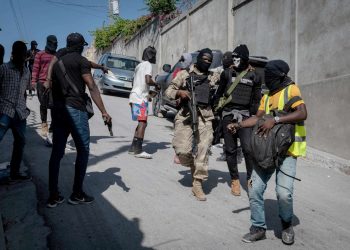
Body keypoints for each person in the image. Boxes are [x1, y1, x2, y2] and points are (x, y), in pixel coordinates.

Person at [227, 60, 307, 245]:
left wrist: (276, 119)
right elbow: (257, 117)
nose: (266, 78)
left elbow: (302, 113)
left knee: (284, 193)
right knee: (254, 189)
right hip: (266, 150)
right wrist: (238, 124)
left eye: (269, 75)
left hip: (288, 151)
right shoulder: (267, 94)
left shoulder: (291, 90)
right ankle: (258, 228)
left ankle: (286, 224)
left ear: (278, 75)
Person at [47, 33, 112, 208]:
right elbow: (91, 86)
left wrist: (99, 66)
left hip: (59, 111)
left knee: (56, 153)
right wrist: (104, 111)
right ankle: (77, 194)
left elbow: (87, 65)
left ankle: (53, 195)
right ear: (80, 46)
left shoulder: (58, 59)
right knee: (83, 151)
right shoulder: (81, 61)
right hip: (76, 110)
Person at [165, 48, 220, 201]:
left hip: (205, 116)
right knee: (182, 152)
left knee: (204, 147)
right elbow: (168, 91)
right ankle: (192, 165)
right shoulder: (184, 74)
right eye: (205, 59)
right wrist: (179, 93)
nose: (207, 62)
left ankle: (197, 183)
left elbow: (225, 80)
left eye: (210, 61)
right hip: (185, 114)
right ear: (199, 59)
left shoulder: (213, 77)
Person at [215, 45, 262, 196]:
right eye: (233, 58)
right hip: (228, 114)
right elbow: (219, 93)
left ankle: (250, 179)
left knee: (248, 149)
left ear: (245, 59)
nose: (234, 61)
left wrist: (255, 117)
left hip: (246, 116)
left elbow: (256, 100)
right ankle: (234, 179)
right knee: (230, 149)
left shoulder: (255, 76)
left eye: (237, 58)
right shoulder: (227, 73)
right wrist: (216, 113)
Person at [0, 41, 32, 182]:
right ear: (13, 54)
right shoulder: (3, 68)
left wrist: (24, 106)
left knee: (20, 143)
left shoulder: (26, 71)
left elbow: (24, 91)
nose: (22, 56)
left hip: (20, 114)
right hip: (4, 112)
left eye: (24, 54)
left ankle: (14, 172)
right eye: (20, 53)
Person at [128, 46, 158, 159]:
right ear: (152, 55)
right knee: (143, 123)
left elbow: (137, 83)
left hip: (134, 96)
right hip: (140, 98)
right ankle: (138, 150)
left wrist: (147, 93)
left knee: (141, 122)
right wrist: (156, 84)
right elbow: (147, 80)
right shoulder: (148, 65)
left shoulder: (139, 65)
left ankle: (133, 148)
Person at [31, 35, 58, 142]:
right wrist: (33, 81)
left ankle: (52, 128)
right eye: (53, 43)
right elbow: (35, 68)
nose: (54, 46)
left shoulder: (57, 55)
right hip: (41, 83)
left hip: (53, 84)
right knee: (43, 104)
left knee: (53, 106)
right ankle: (44, 124)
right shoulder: (40, 54)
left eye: (56, 44)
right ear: (48, 43)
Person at [173, 52, 192, 164]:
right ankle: (178, 153)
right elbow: (174, 87)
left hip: (193, 105)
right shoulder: (179, 72)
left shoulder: (193, 72)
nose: (182, 62)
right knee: (179, 128)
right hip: (182, 105)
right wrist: (179, 94)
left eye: (183, 60)